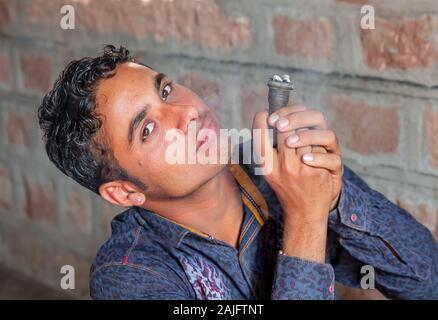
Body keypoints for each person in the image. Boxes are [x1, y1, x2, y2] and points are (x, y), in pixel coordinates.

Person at [38, 45, 438, 299]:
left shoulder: (277, 173)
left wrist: (331, 198)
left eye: (165, 90)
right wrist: (306, 221)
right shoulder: (129, 277)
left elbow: (428, 280)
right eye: (148, 128)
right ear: (124, 192)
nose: (188, 112)